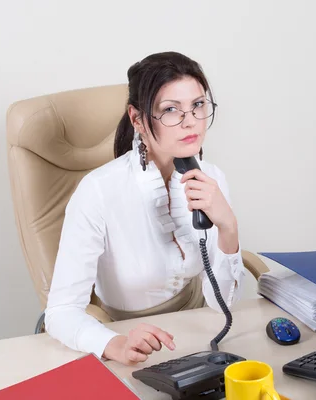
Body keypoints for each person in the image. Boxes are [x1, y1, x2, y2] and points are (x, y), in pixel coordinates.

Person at [44, 51, 246, 366]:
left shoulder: (212, 178)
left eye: (197, 105)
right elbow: (59, 313)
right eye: (170, 110)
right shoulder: (97, 192)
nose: (190, 121)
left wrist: (228, 227)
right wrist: (115, 343)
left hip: (199, 334)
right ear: (137, 119)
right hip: (131, 343)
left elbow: (223, 305)